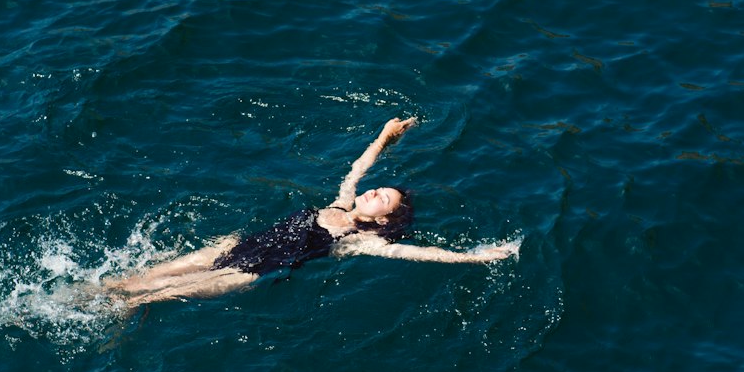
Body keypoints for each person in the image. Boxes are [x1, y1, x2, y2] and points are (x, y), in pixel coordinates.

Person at [103, 117, 520, 309]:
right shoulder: (340, 202)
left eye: (382, 200)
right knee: (140, 278)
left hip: (249, 273)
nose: (373, 192)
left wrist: (474, 256)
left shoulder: (360, 241)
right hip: (236, 248)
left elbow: (418, 254)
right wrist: (384, 137)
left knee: (151, 297)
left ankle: (119, 312)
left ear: (381, 221)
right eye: (379, 190)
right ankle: (87, 295)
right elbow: (359, 167)